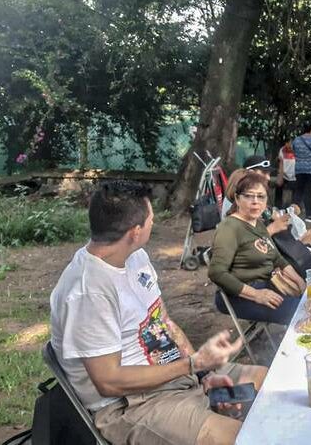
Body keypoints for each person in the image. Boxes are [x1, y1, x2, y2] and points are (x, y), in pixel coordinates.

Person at [49, 180, 267, 445]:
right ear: (135, 231)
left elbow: (163, 322)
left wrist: (202, 375)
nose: (154, 222)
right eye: (151, 218)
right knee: (239, 439)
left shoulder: (135, 257)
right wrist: (193, 364)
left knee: (267, 382)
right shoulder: (88, 292)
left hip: (175, 377)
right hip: (131, 404)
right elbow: (109, 382)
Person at [209, 173, 306, 325]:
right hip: (239, 296)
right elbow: (217, 273)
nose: (255, 202)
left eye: (261, 197)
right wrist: (256, 295)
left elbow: (277, 258)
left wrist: (299, 280)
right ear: (237, 198)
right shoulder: (229, 228)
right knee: (303, 314)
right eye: (249, 196)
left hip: (268, 284)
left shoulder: (257, 223)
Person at [224, 158, 311, 248]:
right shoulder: (238, 209)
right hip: (263, 253)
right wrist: (272, 228)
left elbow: (272, 214)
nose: (268, 178)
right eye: (264, 173)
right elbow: (247, 245)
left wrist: (288, 212)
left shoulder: (251, 203)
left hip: (274, 247)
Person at [275, 140, 297, 209]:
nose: (290, 145)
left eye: (291, 143)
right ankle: (277, 206)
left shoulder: (298, 150)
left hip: (294, 175)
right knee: (278, 186)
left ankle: (294, 207)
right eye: (288, 143)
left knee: (296, 189)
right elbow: (280, 163)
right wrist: (280, 175)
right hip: (284, 174)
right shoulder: (282, 150)